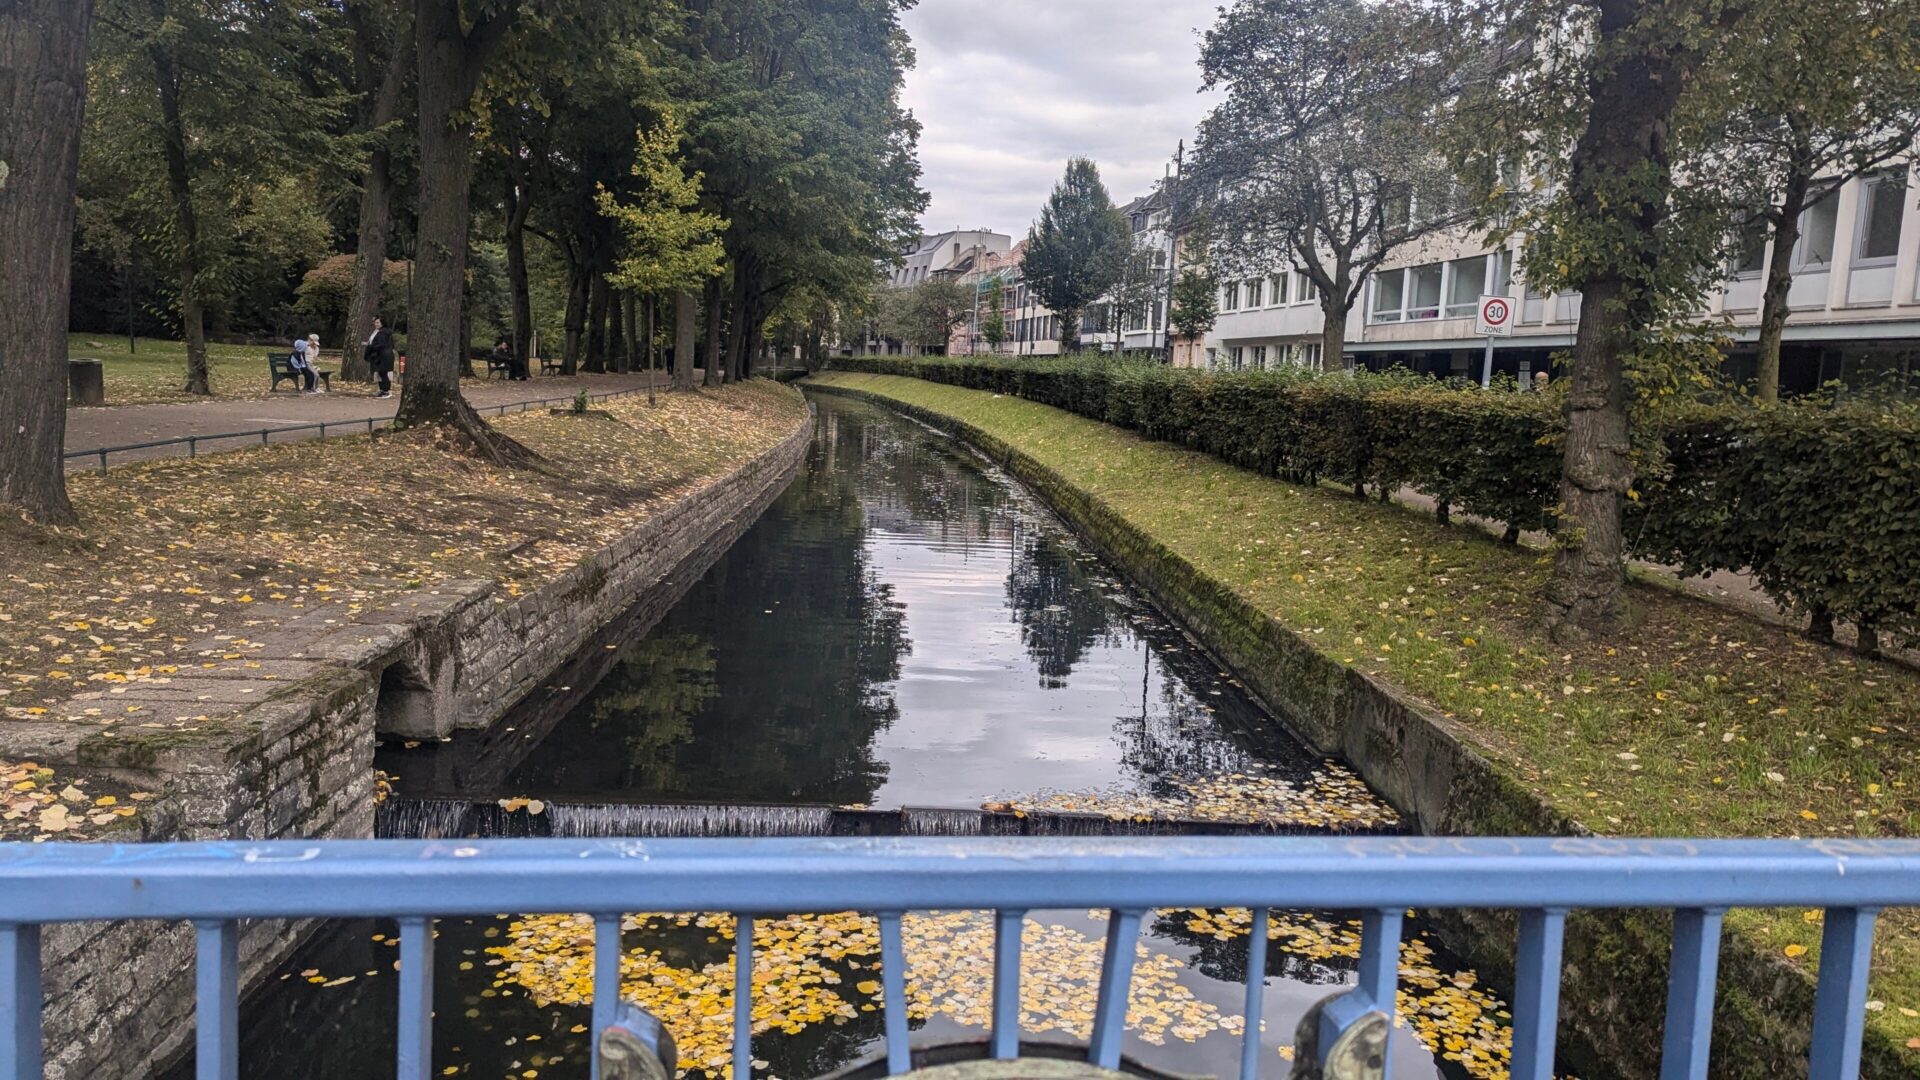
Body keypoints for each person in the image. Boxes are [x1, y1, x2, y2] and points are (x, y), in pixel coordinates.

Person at [366, 317, 396, 399]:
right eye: (375, 322)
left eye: (378, 323)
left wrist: (372, 347)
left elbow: (381, 344)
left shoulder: (383, 333)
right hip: (381, 355)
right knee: (380, 372)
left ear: (382, 323)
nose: (376, 324)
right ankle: (382, 390)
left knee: (383, 372)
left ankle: (386, 391)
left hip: (384, 355)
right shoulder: (379, 332)